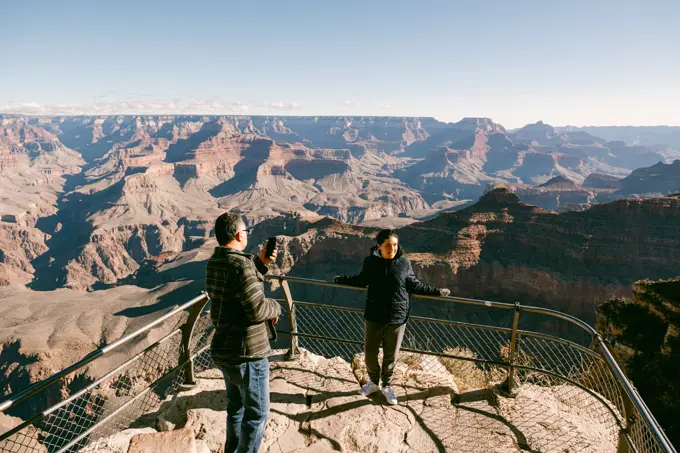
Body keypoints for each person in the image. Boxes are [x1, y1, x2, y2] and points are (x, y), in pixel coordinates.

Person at [333, 229, 450, 405]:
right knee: (370, 352)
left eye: (395, 245)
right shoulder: (370, 262)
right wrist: (340, 279)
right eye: (388, 245)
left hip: (397, 316)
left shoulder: (404, 263)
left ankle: (387, 386)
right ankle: (373, 383)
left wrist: (437, 292)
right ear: (379, 246)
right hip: (374, 315)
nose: (392, 249)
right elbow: (360, 280)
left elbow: (414, 284)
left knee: (390, 355)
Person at [206, 212, 281, 453]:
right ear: (239, 235)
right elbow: (258, 309)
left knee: (236, 407)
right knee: (257, 414)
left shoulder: (215, 261)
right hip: (248, 353)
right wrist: (276, 306)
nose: (247, 235)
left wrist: (260, 264)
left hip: (225, 348)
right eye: (246, 232)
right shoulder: (240, 266)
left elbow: (238, 291)